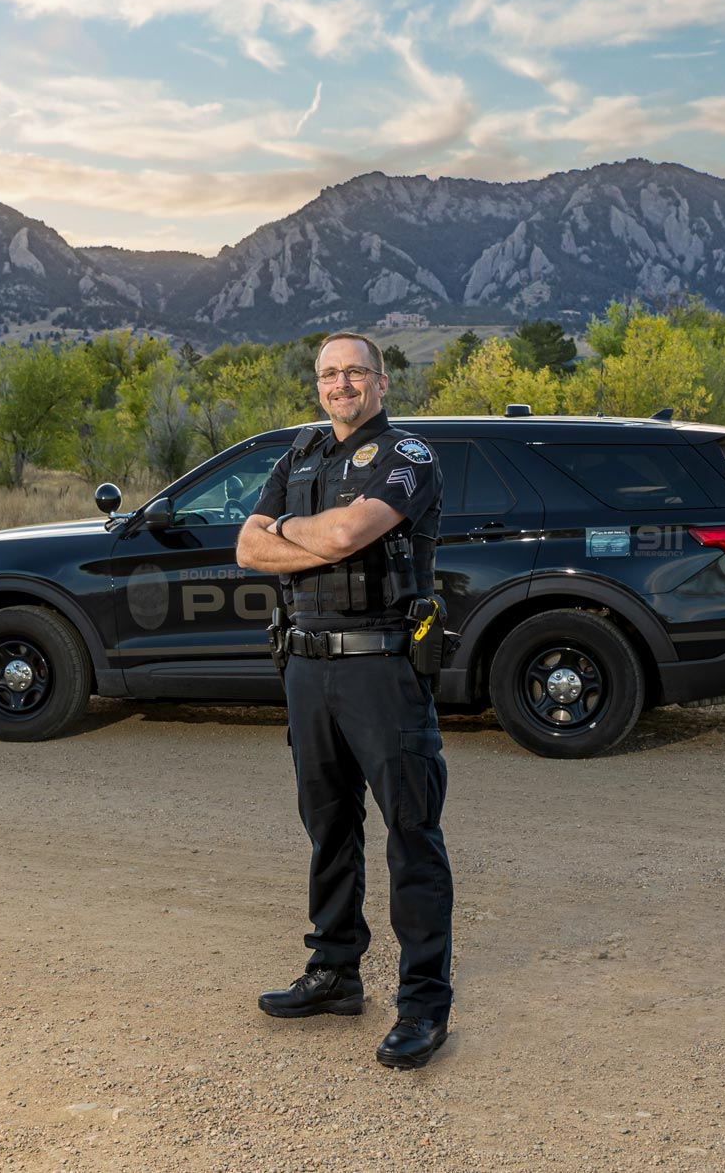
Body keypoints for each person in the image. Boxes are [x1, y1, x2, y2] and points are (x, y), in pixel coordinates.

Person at [235, 331, 453, 1070]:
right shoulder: (299, 455)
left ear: (382, 383)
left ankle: (423, 1005)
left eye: (356, 372)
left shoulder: (406, 459)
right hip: (305, 666)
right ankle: (334, 973)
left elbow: (355, 530)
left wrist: (298, 537)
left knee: (411, 833)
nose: (342, 384)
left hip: (382, 667)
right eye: (330, 374)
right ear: (318, 385)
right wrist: (316, 539)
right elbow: (246, 547)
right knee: (328, 827)